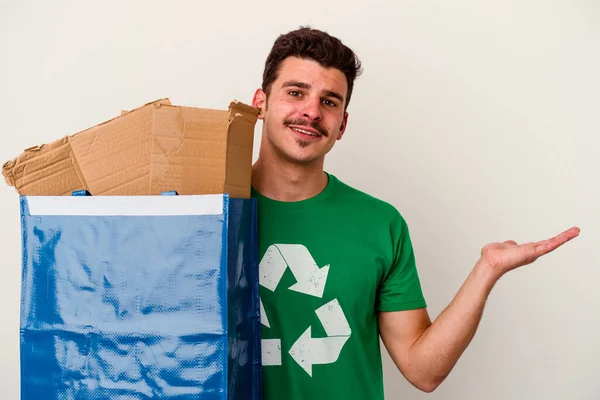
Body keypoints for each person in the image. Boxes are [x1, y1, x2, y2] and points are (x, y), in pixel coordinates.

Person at [250, 26, 579, 399]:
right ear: (259, 102)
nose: (311, 111)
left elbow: (423, 371)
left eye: (329, 101)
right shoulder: (208, 213)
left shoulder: (379, 224)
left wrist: (487, 270)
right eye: (295, 93)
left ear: (342, 124)